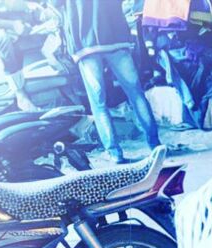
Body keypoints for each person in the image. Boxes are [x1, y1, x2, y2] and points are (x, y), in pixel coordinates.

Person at [62, 0, 159, 163]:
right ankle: (155, 145)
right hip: (116, 38)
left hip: (86, 45)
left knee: (98, 104)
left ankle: (115, 153)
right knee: (136, 95)